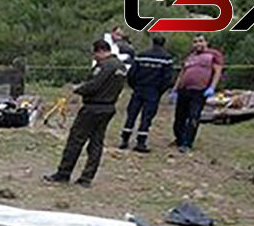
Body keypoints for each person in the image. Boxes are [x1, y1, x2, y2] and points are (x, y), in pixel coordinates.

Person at [43, 40, 128, 187]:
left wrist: (78, 89)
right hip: (108, 107)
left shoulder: (104, 66)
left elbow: (94, 85)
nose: (94, 58)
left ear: (100, 51)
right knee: (96, 143)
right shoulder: (120, 66)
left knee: (76, 140)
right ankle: (87, 178)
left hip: (93, 108)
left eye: (95, 54)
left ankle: (63, 173)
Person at [118, 35, 174, 152]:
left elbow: (132, 73)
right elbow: (168, 78)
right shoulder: (166, 58)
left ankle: (124, 140)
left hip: (139, 88)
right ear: (164, 43)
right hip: (153, 91)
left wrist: (134, 86)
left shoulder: (142, 55)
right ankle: (141, 142)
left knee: (131, 114)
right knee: (147, 117)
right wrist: (160, 91)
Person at [172, 35, 224, 153]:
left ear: (206, 42)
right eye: (195, 42)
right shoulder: (190, 57)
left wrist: (212, 87)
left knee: (193, 116)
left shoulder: (213, 55)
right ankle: (179, 139)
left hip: (199, 91)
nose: (198, 44)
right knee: (179, 117)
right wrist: (175, 88)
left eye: (200, 41)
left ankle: (187, 143)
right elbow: (182, 72)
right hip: (184, 90)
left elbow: (217, 72)